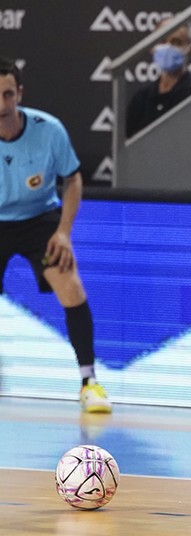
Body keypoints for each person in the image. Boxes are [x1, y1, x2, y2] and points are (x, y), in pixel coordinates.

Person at [0, 58, 112, 414]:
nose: (2, 105)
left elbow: (73, 179)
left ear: (19, 93)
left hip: (40, 221)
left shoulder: (49, 130)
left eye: (7, 94)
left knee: (71, 286)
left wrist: (63, 232)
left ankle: (89, 382)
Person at [125, 16, 191, 137]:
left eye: (176, 42)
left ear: (190, 49)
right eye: (162, 41)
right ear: (152, 47)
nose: (168, 47)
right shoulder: (141, 99)